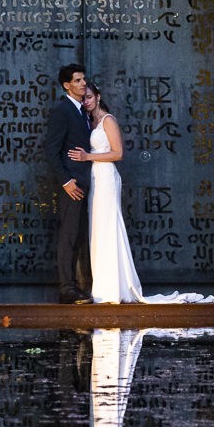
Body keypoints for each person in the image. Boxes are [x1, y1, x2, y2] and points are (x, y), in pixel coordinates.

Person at [68, 81, 142, 304]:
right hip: (94, 178)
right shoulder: (89, 122)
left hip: (107, 177)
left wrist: (87, 157)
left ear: (98, 97)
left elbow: (118, 153)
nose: (86, 101)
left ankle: (113, 288)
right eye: (83, 99)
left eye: (89, 97)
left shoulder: (108, 120)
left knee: (108, 227)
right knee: (98, 230)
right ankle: (102, 287)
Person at [44, 63, 93, 303]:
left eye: (84, 79)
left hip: (85, 184)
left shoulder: (83, 111)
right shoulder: (63, 110)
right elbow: (51, 150)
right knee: (69, 236)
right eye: (78, 80)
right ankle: (67, 289)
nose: (83, 83)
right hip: (72, 186)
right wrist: (66, 181)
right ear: (67, 85)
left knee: (81, 237)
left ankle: (81, 286)